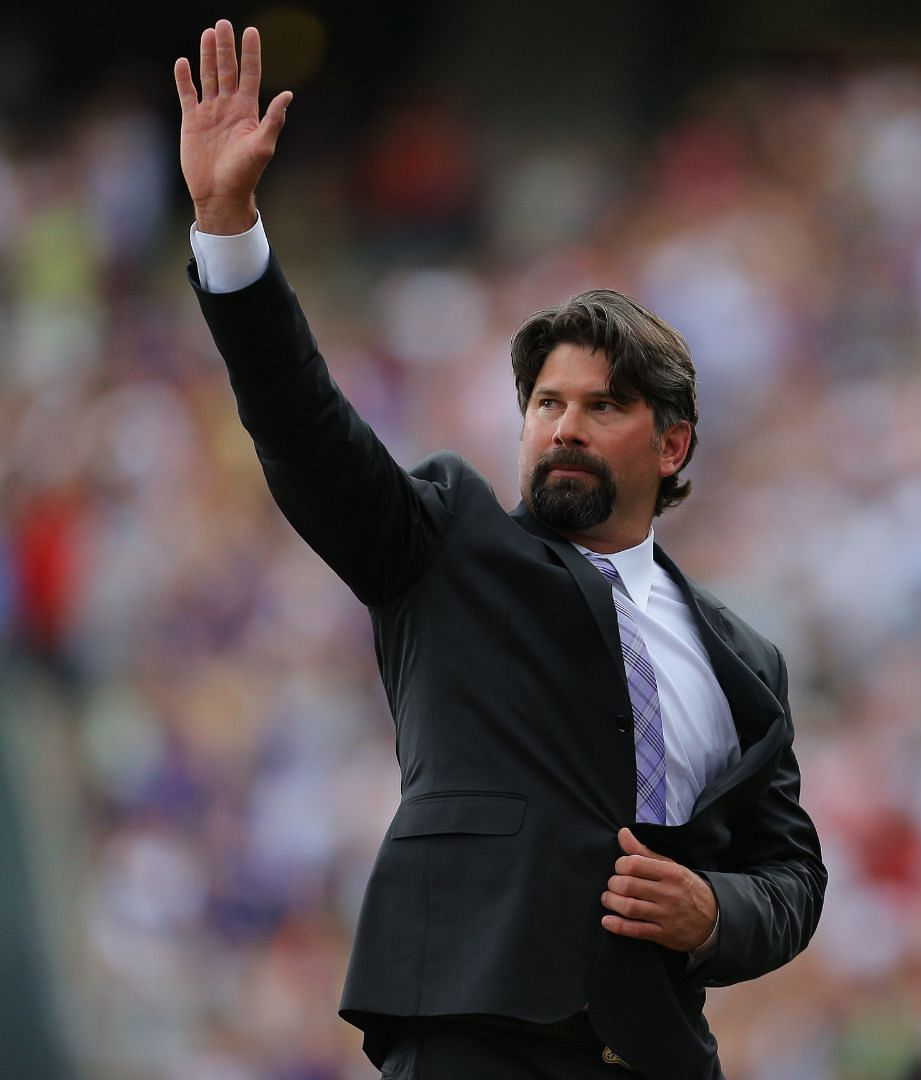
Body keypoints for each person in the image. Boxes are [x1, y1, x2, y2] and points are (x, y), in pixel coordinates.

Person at [174, 21, 825, 1077]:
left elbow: (792, 879)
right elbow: (306, 429)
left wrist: (714, 914)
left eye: (601, 405)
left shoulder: (746, 658)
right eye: (545, 402)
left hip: (654, 1054)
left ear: (671, 444)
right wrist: (229, 230)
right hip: (471, 1032)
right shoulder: (445, 544)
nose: (562, 425)